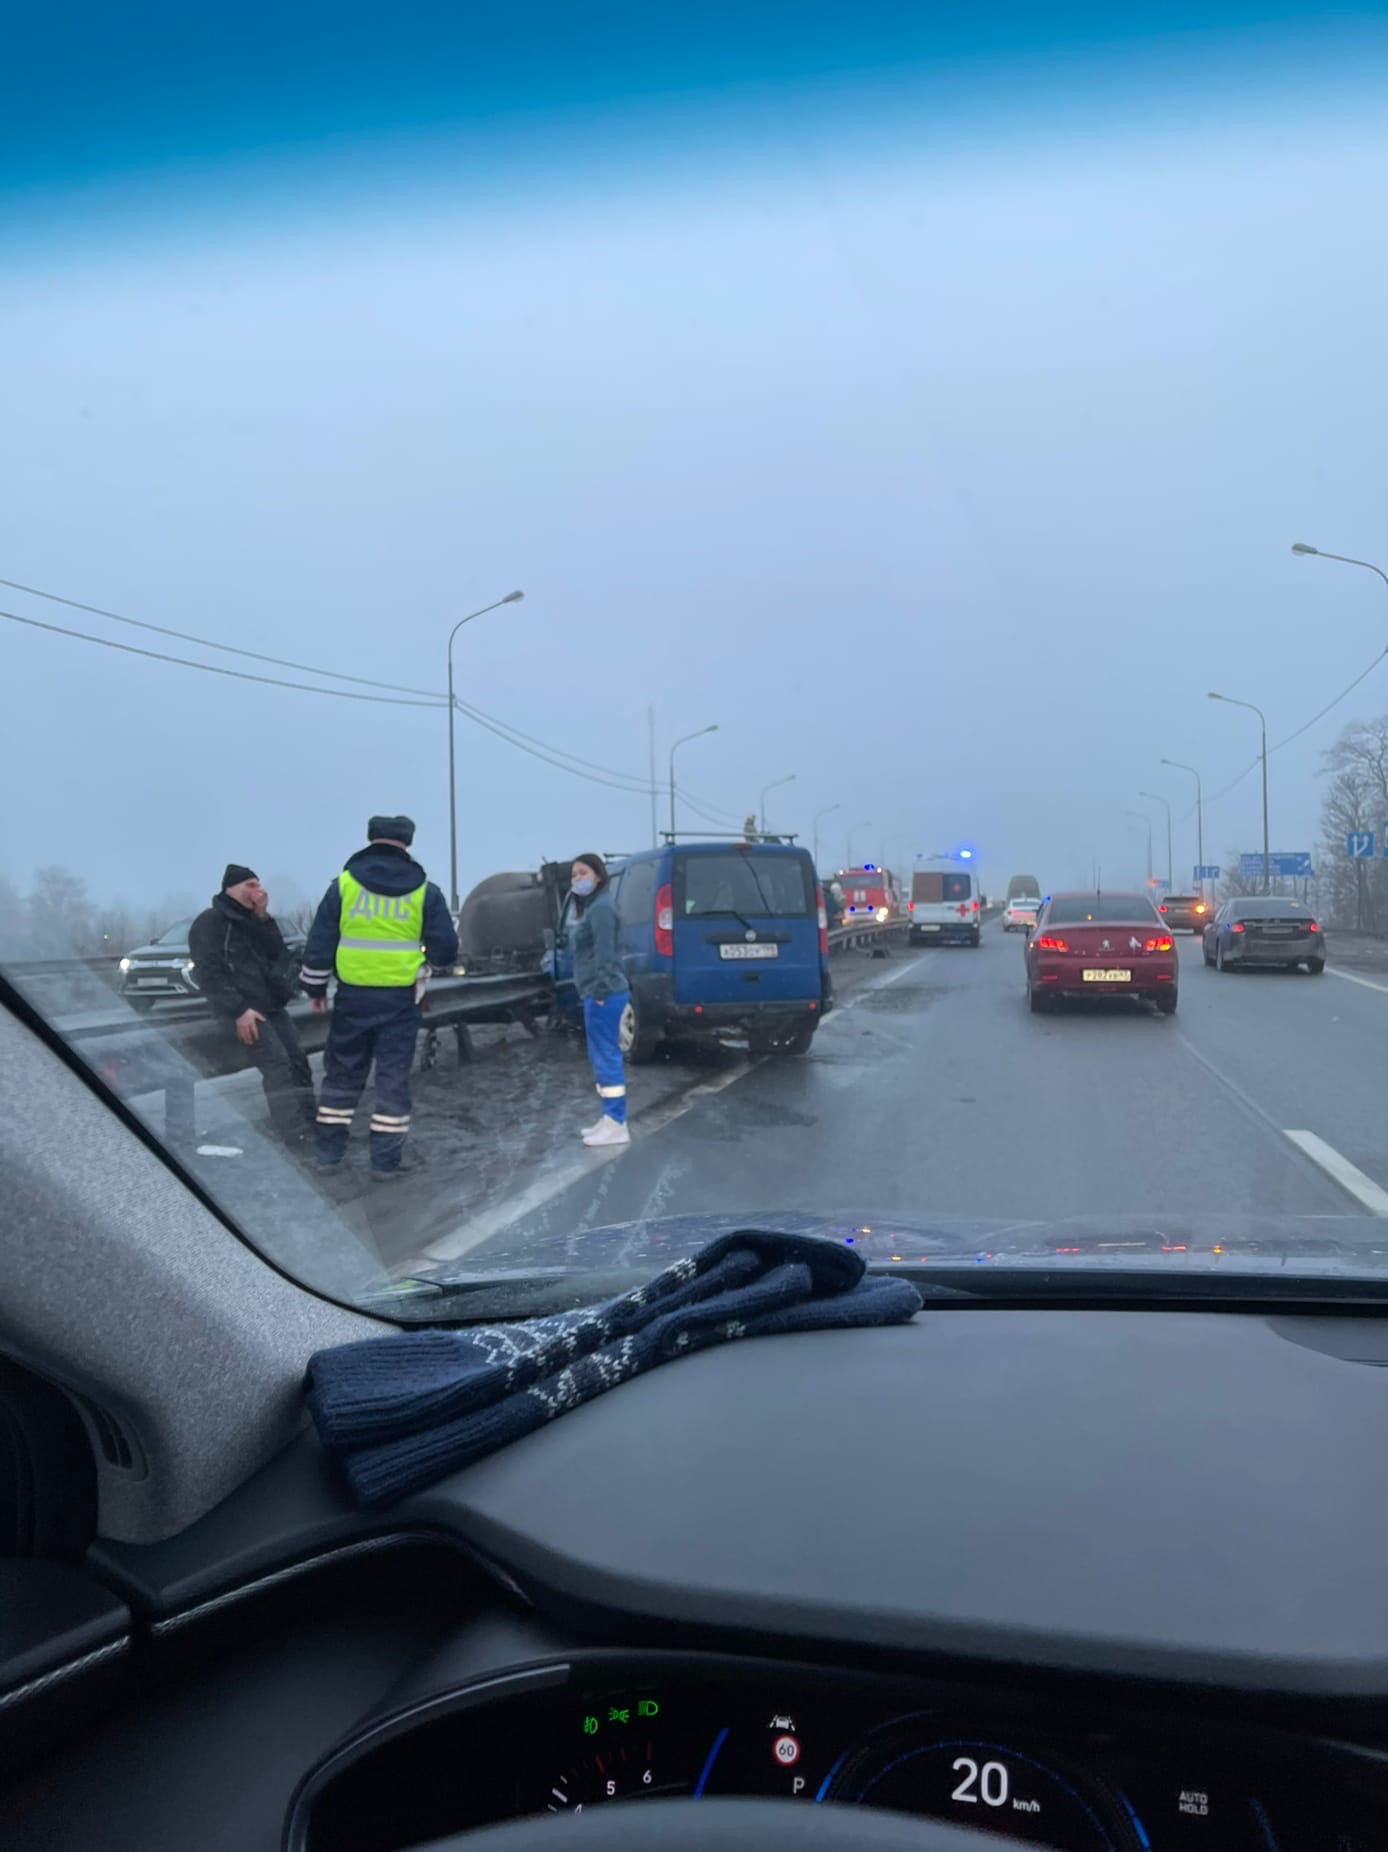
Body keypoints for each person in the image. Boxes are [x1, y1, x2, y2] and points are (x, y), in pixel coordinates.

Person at [300, 815, 458, 1179]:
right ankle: (385, 1163)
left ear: (371, 838)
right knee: (392, 1079)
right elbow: (446, 950)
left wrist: (315, 988)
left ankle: (328, 1155)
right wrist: (431, 961)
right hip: (401, 1001)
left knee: (341, 1075)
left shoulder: (343, 886)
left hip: (353, 998)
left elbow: (320, 941)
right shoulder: (426, 891)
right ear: (408, 842)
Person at [187, 864, 316, 1147]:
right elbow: (208, 972)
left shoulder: (256, 921)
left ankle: (312, 1123)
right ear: (229, 888)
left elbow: (276, 955)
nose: (257, 891)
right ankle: (295, 1135)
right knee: (278, 1065)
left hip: (271, 1006)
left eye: (258, 885)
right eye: (249, 885)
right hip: (241, 1010)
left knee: (297, 1060)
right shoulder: (211, 922)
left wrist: (262, 917)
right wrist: (238, 1010)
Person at [569, 853, 631, 1148]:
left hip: (603, 992)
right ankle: (609, 1119)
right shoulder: (595, 907)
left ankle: (616, 1123)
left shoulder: (602, 909)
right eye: (574, 875)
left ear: (598, 876)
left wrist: (602, 990)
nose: (578, 879)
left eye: (583, 872)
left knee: (606, 1056)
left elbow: (606, 955)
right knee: (600, 1055)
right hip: (596, 991)